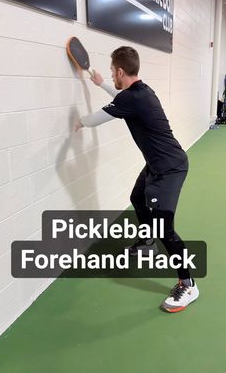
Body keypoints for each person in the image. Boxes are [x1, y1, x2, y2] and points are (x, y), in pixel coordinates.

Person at [75, 46, 199, 312]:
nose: (111, 75)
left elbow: (95, 119)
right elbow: (122, 99)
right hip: (158, 163)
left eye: (112, 72)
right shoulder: (141, 91)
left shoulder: (131, 99)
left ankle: (188, 283)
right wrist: (102, 85)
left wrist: (78, 123)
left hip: (170, 168)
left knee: (163, 227)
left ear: (120, 71)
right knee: (136, 197)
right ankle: (147, 242)